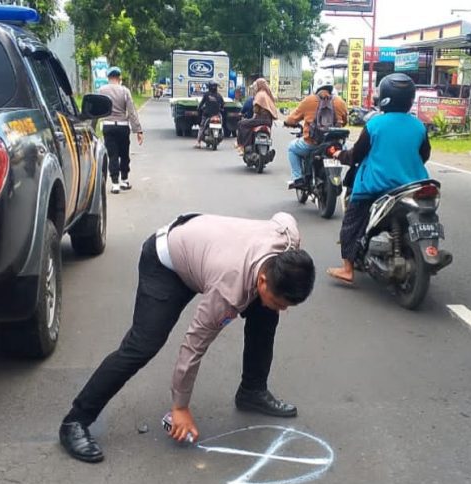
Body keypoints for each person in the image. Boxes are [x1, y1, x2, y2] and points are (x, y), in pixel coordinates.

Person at [59, 212, 316, 463]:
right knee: (142, 345)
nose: (284, 309)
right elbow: (193, 346)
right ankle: (76, 420)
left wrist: (273, 302)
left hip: (208, 249)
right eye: (279, 301)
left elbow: (285, 217)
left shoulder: (287, 242)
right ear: (262, 280)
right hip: (167, 261)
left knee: (266, 314)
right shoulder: (228, 292)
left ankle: (252, 391)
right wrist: (180, 407)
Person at [324, 73, 430, 285]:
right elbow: (424, 154)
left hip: (375, 187)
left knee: (350, 224)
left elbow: (356, 156)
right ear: (410, 99)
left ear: (384, 97)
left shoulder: (375, 124)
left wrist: (337, 154)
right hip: (413, 185)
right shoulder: (419, 126)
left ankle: (347, 269)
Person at [284, 84, 348, 189]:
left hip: (311, 144)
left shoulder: (308, 100)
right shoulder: (340, 102)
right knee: (344, 151)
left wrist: (287, 122)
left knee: (291, 148)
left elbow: (292, 119)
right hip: (335, 145)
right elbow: (345, 121)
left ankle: (298, 178)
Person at [98, 67, 144, 194]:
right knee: (124, 154)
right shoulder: (125, 91)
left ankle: (115, 184)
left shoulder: (102, 90)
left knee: (112, 155)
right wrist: (138, 130)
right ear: (119, 78)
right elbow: (132, 111)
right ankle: (124, 180)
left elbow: (97, 109)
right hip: (123, 127)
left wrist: (92, 127)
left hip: (108, 126)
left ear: (108, 78)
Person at [236, 78, 280, 152]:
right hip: (268, 121)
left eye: (256, 86)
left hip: (260, 119)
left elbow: (256, 109)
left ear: (259, 85)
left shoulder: (260, 95)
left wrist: (254, 113)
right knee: (249, 126)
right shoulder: (268, 95)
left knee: (241, 124)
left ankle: (242, 145)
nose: (255, 88)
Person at [195, 81, 225, 149]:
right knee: (221, 123)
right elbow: (223, 105)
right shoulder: (219, 95)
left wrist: (199, 108)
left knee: (202, 127)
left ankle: (198, 142)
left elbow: (201, 103)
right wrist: (222, 108)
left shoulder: (206, 95)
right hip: (217, 114)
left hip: (207, 115)